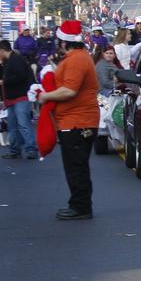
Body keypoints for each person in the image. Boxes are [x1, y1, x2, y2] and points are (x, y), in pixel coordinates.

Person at [38, 20, 101, 220]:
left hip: (77, 122)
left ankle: (81, 207)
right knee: (76, 166)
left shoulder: (76, 60)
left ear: (64, 41)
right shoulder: (78, 58)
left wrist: (46, 96)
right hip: (75, 121)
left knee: (76, 167)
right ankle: (78, 204)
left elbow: (69, 90)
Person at [0, 39, 38, 160]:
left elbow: (20, 76)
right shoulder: (7, 61)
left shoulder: (16, 60)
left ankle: (31, 148)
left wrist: (5, 82)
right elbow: (1, 75)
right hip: (12, 97)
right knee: (13, 125)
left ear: (3, 50)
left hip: (20, 96)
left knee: (23, 123)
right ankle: (15, 149)